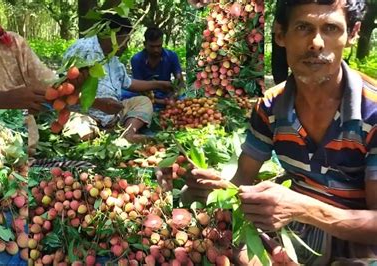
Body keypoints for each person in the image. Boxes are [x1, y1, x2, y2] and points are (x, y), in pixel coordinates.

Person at [169, 0, 377, 264]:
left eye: (331, 29)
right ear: (280, 35)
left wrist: (304, 209)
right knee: (204, 235)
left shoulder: (373, 112)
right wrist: (217, 189)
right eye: (303, 27)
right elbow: (243, 178)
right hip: (293, 231)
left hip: (355, 243)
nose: (316, 43)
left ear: (353, 33)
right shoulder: (270, 106)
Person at [61, 14, 173, 143]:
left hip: (114, 113)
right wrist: (98, 103)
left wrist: (158, 84)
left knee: (143, 101)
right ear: (111, 35)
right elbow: (64, 92)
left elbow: (129, 83)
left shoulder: (113, 58)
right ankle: (98, 131)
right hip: (85, 115)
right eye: (125, 41)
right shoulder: (82, 50)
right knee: (78, 133)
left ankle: (128, 133)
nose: (126, 46)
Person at [126, 27, 184, 110]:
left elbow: (179, 81)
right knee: (125, 95)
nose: (156, 50)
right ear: (145, 44)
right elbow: (138, 87)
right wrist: (160, 101)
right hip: (145, 94)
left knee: (184, 98)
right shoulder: (137, 59)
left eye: (159, 46)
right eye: (152, 46)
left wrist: (174, 95)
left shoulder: (171, 56)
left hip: (166, 93)